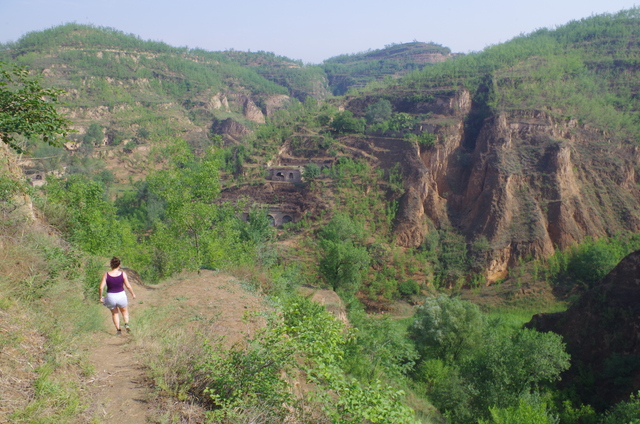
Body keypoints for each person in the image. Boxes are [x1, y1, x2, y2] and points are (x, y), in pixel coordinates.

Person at [99, 257, 136, 335]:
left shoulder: (106, 275)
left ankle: (118, 330)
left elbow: (101, 287)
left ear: (111, 265)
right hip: (121, 295)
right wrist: (133, 294)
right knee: (124, 311)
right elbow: (128, 286)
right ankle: (126, 324)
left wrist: (100, 296)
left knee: (115, 313)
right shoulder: (123, 274)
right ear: (119, 265)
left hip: (110, 297)